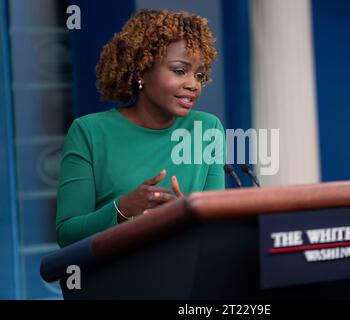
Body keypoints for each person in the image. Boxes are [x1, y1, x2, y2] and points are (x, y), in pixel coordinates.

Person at [56, 9, 225, 248]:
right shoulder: (89, 132)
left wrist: (184, 214)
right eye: (179, 71)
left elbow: (217, 227)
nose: (193, 85)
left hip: (186, 273)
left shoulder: (207, 129)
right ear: (141, 71)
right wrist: (122, 209)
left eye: (199, 75)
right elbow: (67, 235)